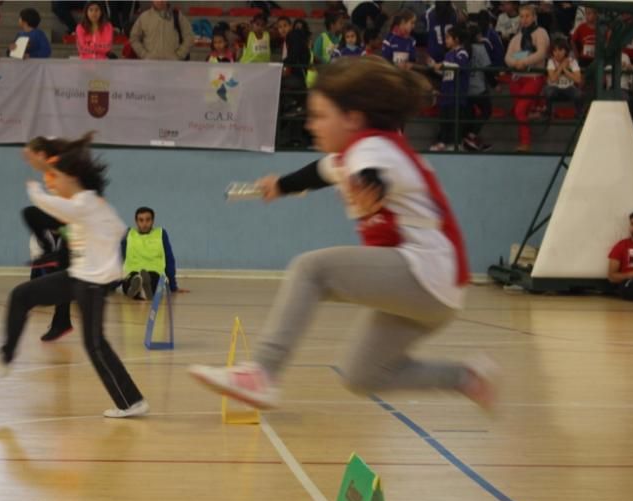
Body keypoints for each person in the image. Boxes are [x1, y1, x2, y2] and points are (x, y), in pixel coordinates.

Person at [188, 56, 496, 413]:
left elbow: (372, 172)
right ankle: (467, 378)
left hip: (425, 271)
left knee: (312, 270)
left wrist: (370, 187)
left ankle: (262, 372)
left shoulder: (372, 148)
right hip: (436, 295)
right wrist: (281, 185)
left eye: (320, 116)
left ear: (353, 118)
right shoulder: (354, 152)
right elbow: (320, 172)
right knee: (362, 375)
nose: (310, 125)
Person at [0, 134, 149, 419]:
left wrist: (36, 179)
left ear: (72, 177)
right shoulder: (86, 202)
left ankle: (132, 401)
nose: (51, 182)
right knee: (22, 294)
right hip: (77, 276)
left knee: (95, 345)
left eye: (56, 177)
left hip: (92, 282)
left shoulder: (85, 204)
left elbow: (50, 204)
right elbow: (114, 227)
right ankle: (5, 357)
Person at [21, 135, 74, 342]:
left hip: (77, 223)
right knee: (65, 272)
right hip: (67, 222)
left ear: (41, 154)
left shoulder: (57, 167)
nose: (29, 162)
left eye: (30, 157)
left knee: (30, 213)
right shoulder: (51, 171)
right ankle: (62, 321)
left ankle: (64, 321)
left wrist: (35, 192)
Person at [505, 4, 549, 152]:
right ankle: (533, 113)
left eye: (527, 16)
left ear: (534, 17)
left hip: (534, 77)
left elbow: (541, 53)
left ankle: (525, 142)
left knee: (520, 110)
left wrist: (523, 62)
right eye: (522, 16)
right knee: (520, 111)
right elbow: (507, 57)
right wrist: (517, 63)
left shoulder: (541, 33)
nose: (524, 19)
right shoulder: (517, 37)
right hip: (517, 78)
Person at [120, 207, 180, 300]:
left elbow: (169, 259)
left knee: (153, 279)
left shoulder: (160, 234)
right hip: (132, 272)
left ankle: (141, 289)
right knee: (130, 279)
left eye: (148, 220)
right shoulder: (128, 234)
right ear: (136, 221)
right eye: (141, 220)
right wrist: (112, 284)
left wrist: (173, 286)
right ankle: (141, 288)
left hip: (154, 272)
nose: (144, 223)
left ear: (153, 221)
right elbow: (120, 259)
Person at [431, 24, 470, 152]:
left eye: (448, 38)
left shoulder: (462, 53)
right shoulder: (448, 54)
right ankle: (443, 142)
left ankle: (456, 143)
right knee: (444, 120)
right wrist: (436, 68)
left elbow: (458, 66)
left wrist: (442, 65)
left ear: (456, 39)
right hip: (446, 94)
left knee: (455, 120)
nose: (446, 40)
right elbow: (446, 72)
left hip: (457, 94)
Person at [463, 19, 494, 152]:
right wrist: (495, 83)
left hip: (465, 88)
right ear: (477, 36)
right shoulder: (480, 48)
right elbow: (487, 68)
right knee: (487, 110)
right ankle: (471, 136)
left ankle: (471, 141)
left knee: (471, 115)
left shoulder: (463, 48)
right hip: (479, 88)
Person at [128, 1, 193, 61]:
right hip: (150, 66)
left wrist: (179, 55)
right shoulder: (144, 17)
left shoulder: (178, 16)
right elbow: (134, 38)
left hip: (172, 65)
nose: (160, 1)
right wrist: (144, 55)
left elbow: (189, 37)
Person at [544, 36, 583, 117]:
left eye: (560, 50)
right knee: (548, 91)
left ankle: (579, 115)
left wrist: (565, 70)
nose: (557, 53)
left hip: (569, 87)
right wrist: (562, 66)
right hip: (554, 87)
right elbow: (553, 79)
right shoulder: (551, 61)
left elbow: (578, 79)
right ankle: (548, 114)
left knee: (578, 94)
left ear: (565, 50)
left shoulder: (572, 61)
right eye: (555, 50)